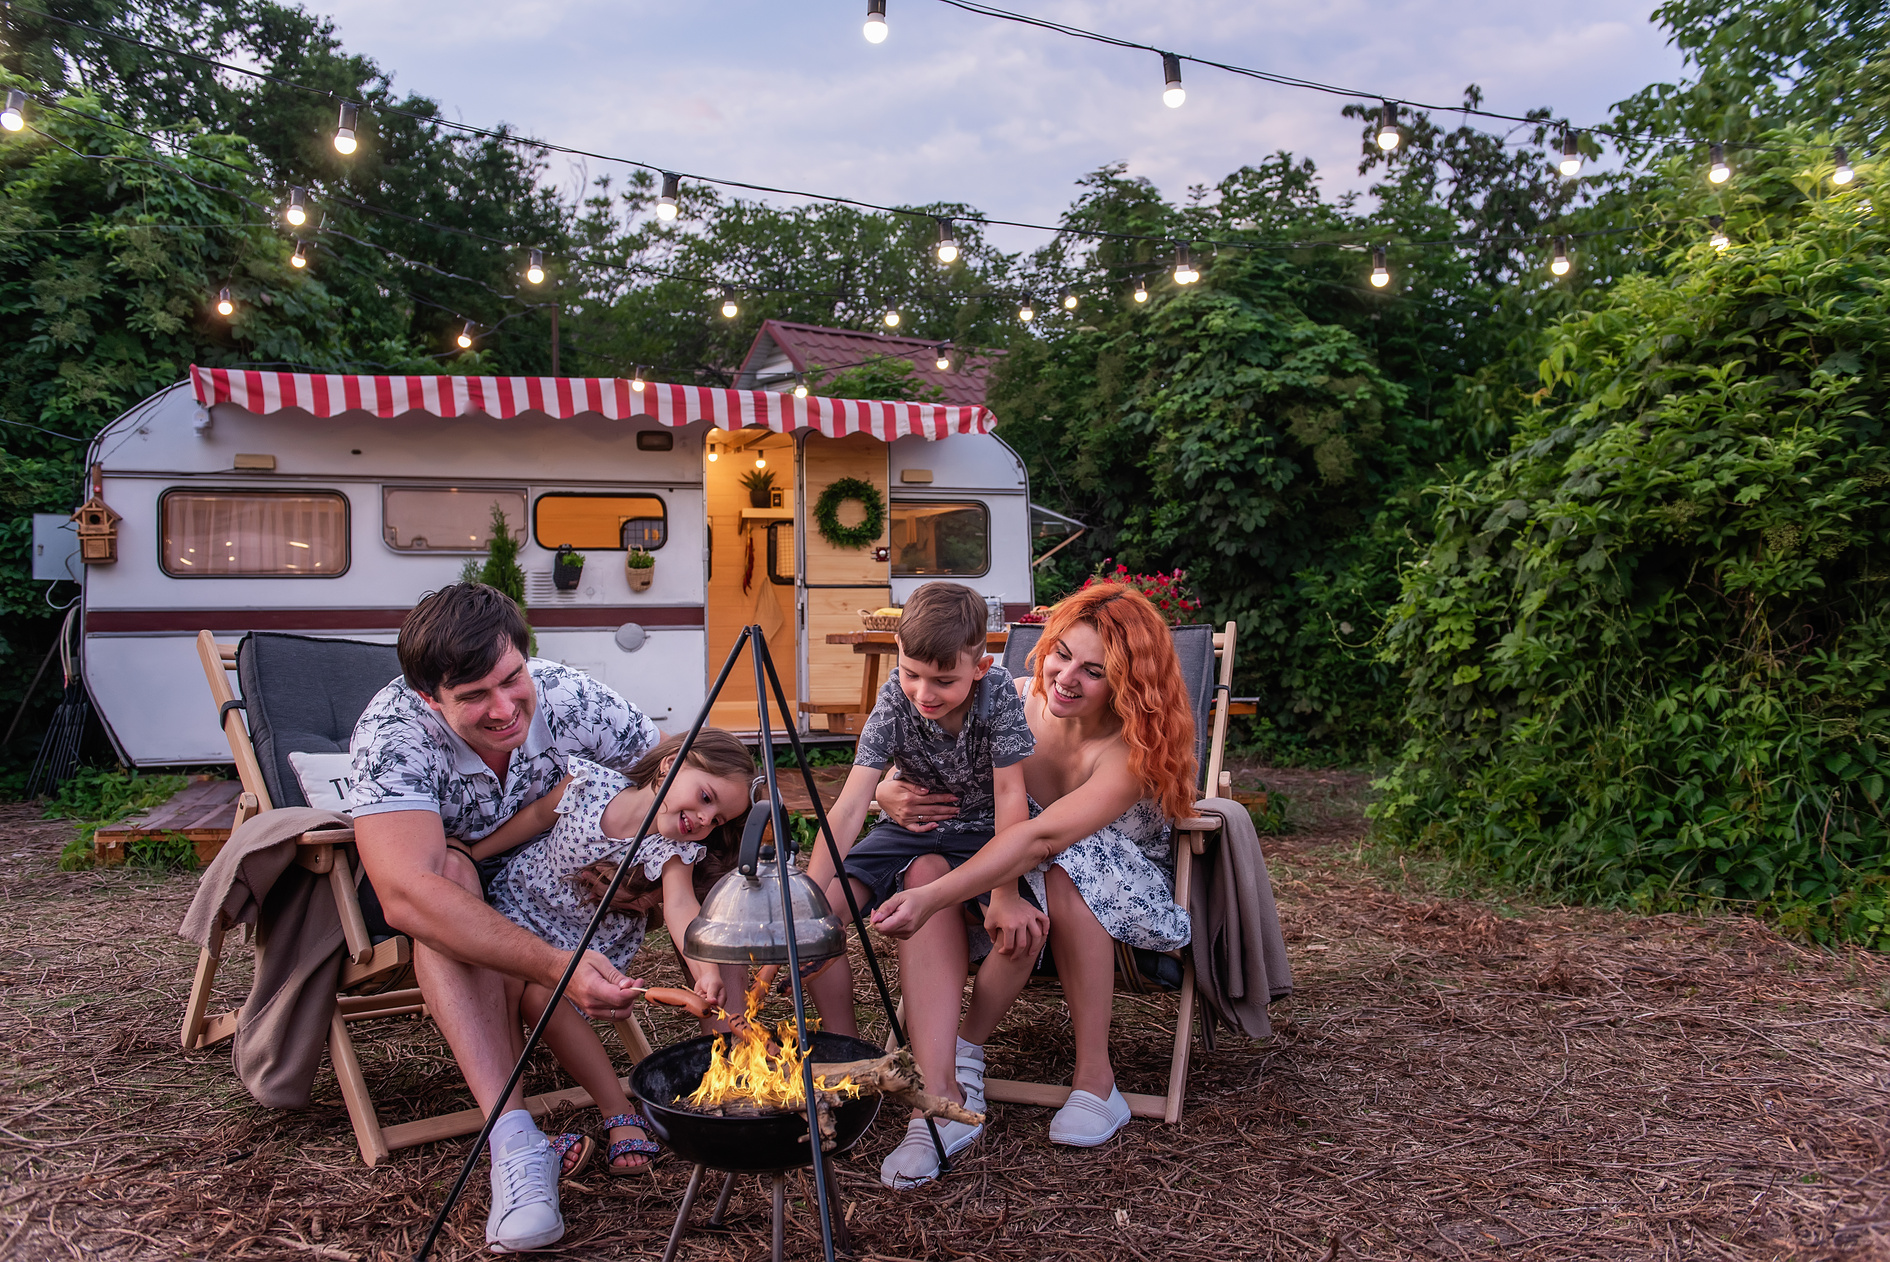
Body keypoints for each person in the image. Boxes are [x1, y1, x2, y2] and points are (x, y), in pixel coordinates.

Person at [348, 583, 660, 1254]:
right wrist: (559, 967)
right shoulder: (394, 732)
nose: (503, 708)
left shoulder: (569, 697)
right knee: (453, 879)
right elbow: (408, 895)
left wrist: (631, 857)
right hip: (452, 887)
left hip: (552, 885)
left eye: (511, 678)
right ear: (431, 700)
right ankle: (516, 1145)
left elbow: (667, 777)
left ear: (525, 655)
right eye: (473, 698)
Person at [871, 583, 1198, 1150]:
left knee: (1065, 861)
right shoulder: (1010, 700)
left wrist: (934, 899)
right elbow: (925, 763)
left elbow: (1043, 837)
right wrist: (885, 792)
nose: (1066, 678)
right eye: (1061, 654)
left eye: (1094, 671)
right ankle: (944, 1083)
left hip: (1116, 891)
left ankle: (1096, 1081)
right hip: (1011, 869)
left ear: (1128, 683)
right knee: (924, 863)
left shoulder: (1130, 753)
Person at [801, 581, 1042, 1188]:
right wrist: (801, 895)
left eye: (943, 680)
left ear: (980, 665)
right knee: (817, 915)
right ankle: (844, 1058)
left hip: (982, 836)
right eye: (911, 674)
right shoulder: (895, 698)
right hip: (911, 829)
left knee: (1021, 932)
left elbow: (1013, 796)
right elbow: (854, 800)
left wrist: (1007, 891)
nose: (923, 693)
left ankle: (944, 1094)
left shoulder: (997, 701)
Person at [469, 730, 755, 1177]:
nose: (703, 818)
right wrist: (472, 855)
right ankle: (512, 1124)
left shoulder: (674, 850)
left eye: (717, 819)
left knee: (542, 998)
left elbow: (681, 908)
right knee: (501, 977)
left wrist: (703, 969)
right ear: (670, 763)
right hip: (518, 909)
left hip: (586, 946)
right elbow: (534, 820)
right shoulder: (587, 785)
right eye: (705, 797)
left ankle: (616, 1110)